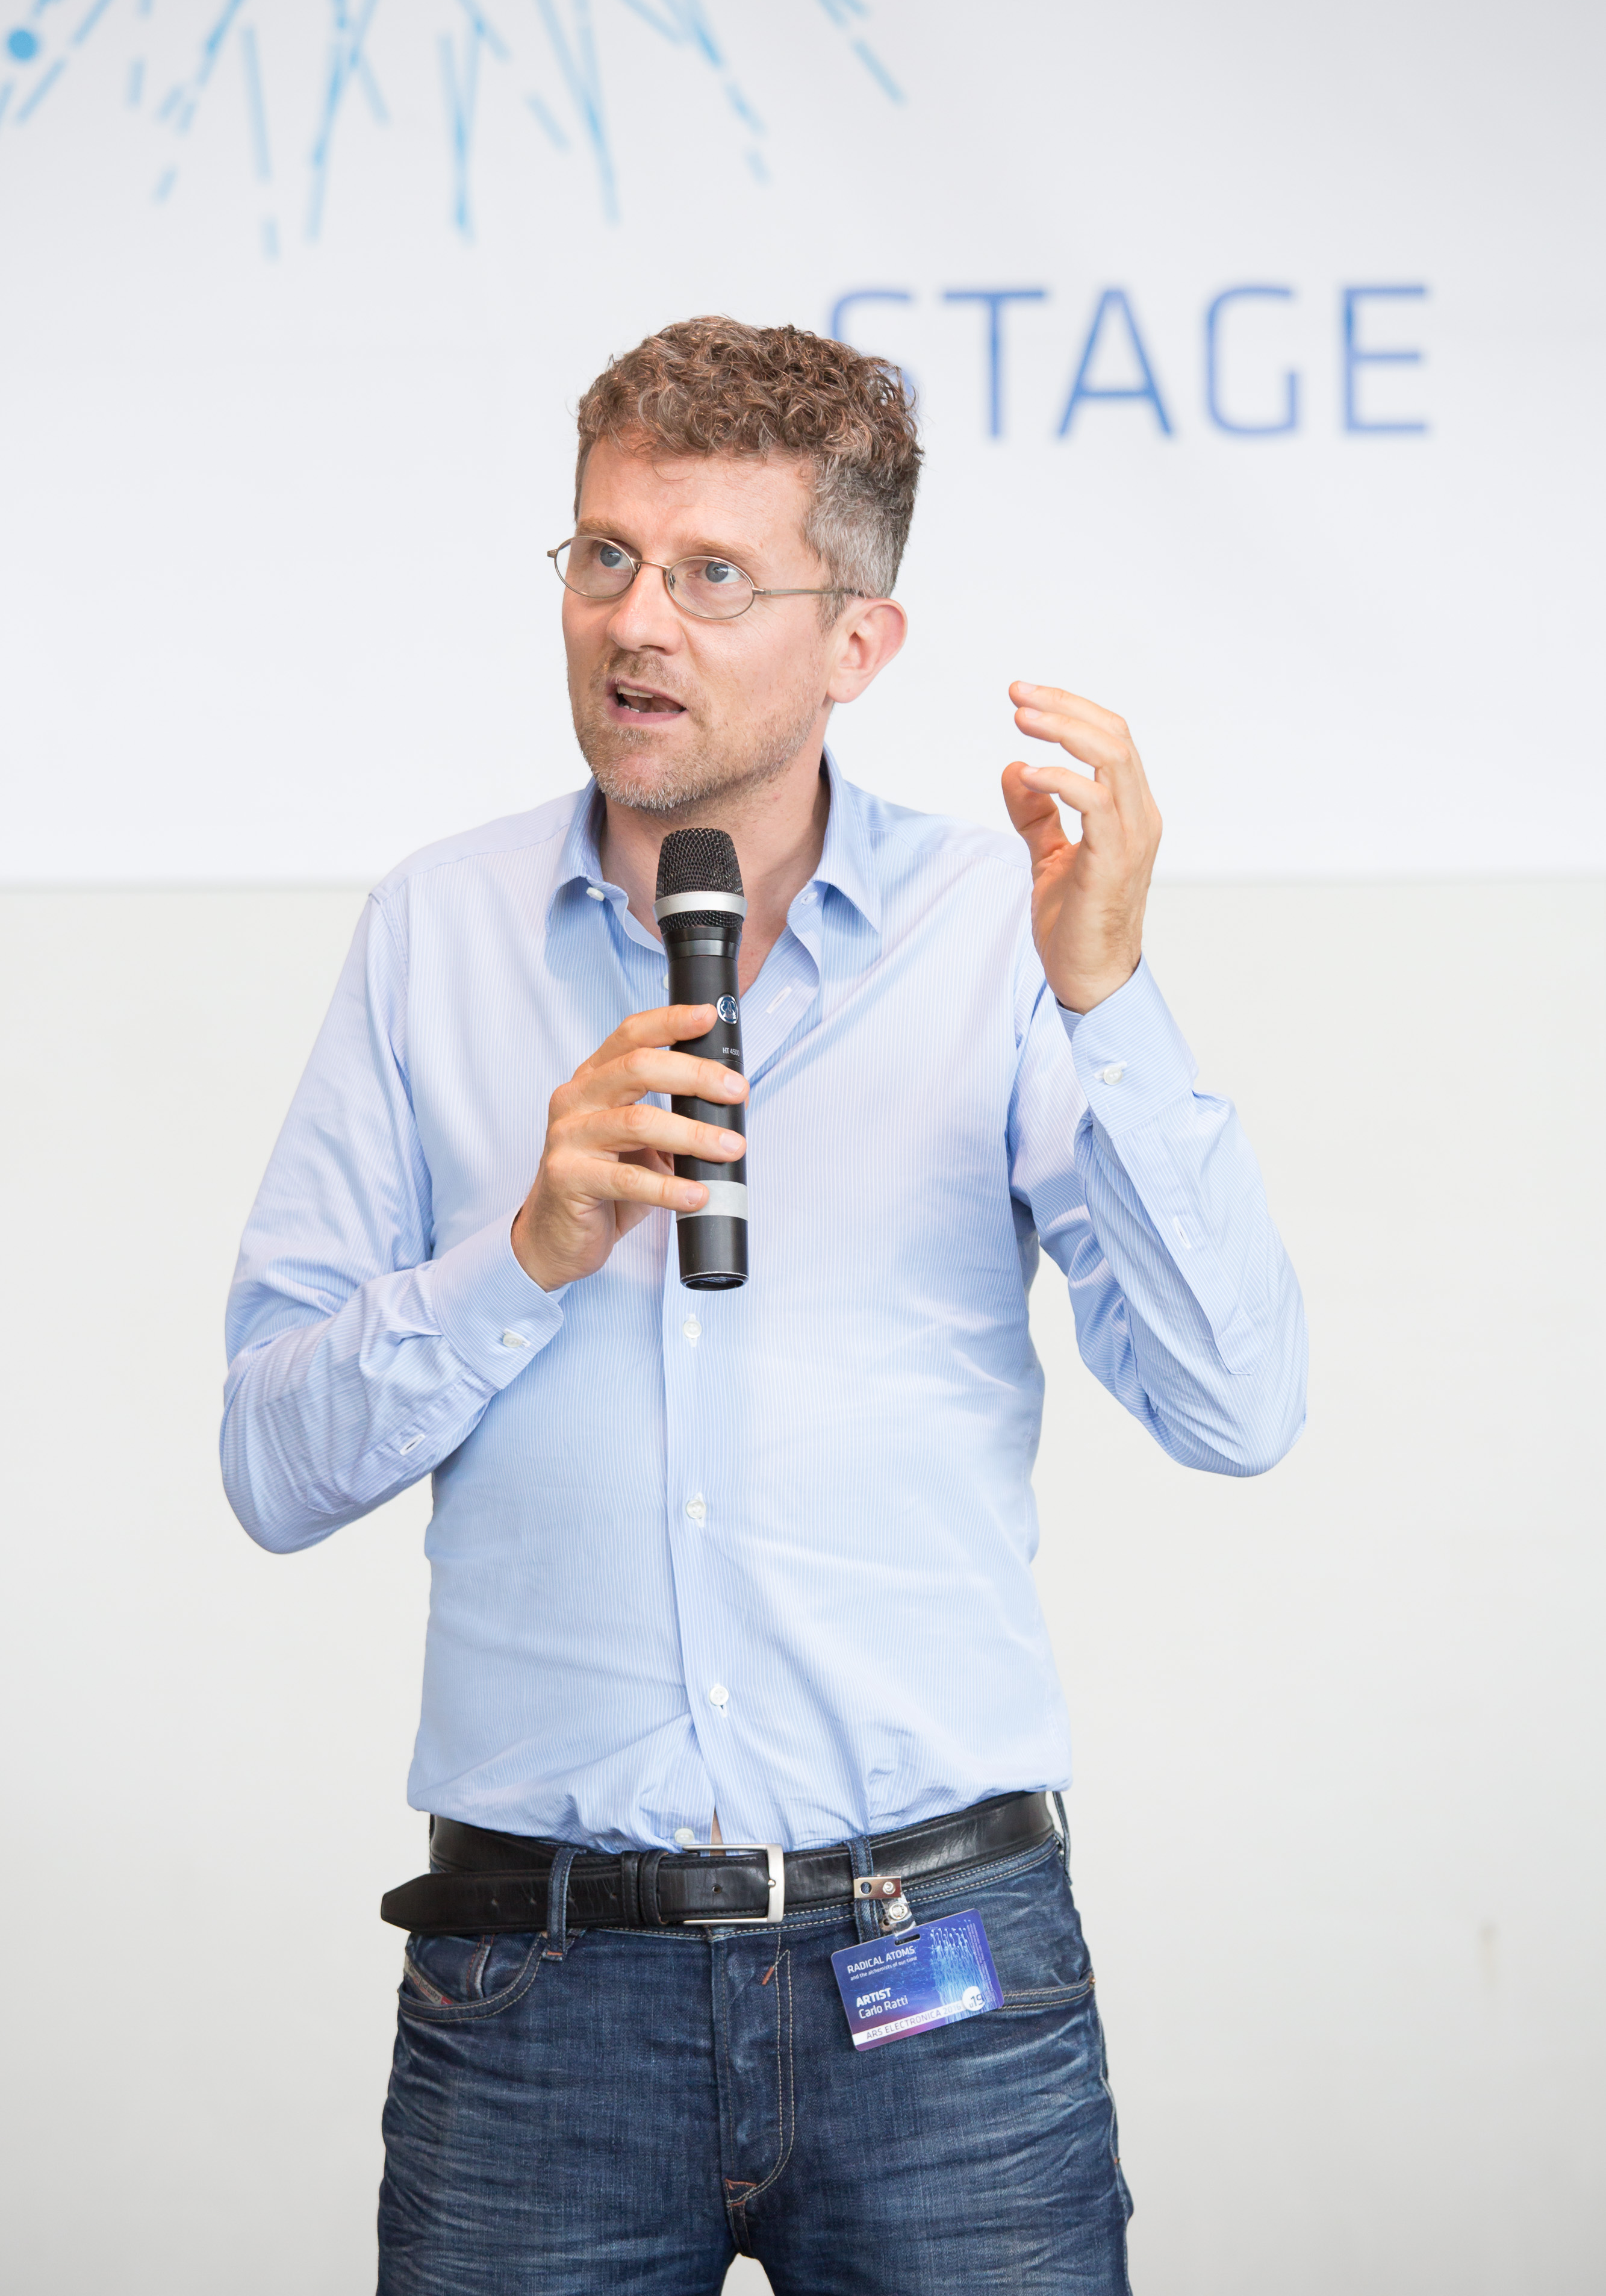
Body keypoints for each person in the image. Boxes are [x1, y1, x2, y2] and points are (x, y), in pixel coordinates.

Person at [223, 316, 1306, 2295]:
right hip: (535, 2000)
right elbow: (272, 1464)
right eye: (603, 555)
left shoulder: (999, 935)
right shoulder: (434, 933)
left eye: (713, 574)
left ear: (854, 644)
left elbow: (1234, 1402)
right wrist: (522, 1253)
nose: (635, 622)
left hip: (941, 1978)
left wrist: (1106, 998)